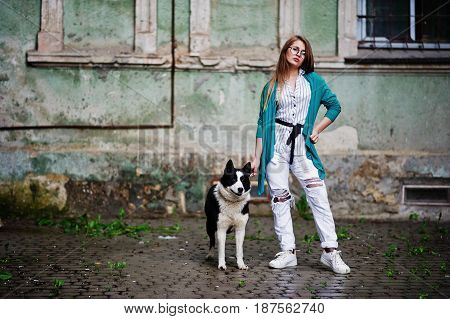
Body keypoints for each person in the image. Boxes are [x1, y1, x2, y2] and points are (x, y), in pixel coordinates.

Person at [250, 35, 350, 274]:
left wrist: (317, 129)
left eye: (303, 52)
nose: (298, 54)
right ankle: (288, 252)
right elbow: (262, 125)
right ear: (285, 51)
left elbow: (335, 105)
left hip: (302, 146)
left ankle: (330, 252)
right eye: (294, 49)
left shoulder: (314, 81)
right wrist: (256, 158)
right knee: (280, 198)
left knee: (318, 194)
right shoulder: (271, 86)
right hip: (276, 147)